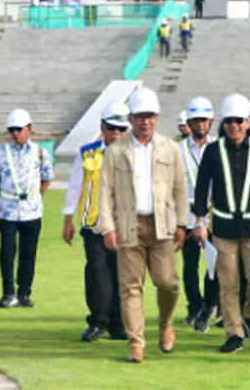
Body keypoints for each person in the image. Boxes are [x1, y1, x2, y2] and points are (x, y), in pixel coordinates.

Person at [95, 87, 188, 364]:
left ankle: (165, 322)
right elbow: (104, 192)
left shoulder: (170, 149)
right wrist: (108, 228)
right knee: (130, 287)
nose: (145, 121)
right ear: (131, 118)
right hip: (128, 224)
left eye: (150, 116)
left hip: (162, 225)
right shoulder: (116, 151)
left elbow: (181, 188)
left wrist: (182, 223)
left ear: (157, 117)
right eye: (140, 116)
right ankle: (136, 342)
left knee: (168, 283)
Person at [191, 93, 250, 354]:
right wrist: (200, 221)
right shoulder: (214, 151)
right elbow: (202, 186)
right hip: (223, 229)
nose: (233, 126)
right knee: (228, 282)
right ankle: (234, 332)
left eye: (239, 120)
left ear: (248, 121)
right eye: (229, 121)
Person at [63, 101, 130, 341]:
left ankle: (117, 323)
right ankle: (98, 321)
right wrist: (68, 220)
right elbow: (74, 187)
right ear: (102, 127)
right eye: (111, 128)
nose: (116, 133)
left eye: (121, 129)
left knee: (120, 274)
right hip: (94, 224)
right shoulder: (88, 152)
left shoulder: (134, 153)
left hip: (123, 225)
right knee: (97, 273)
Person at [0, 108, 54, 308]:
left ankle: (24, 293)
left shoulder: (40, 152)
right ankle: (8, 293)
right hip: (8, 211)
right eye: (12, 129)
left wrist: (36, 197)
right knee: (7, 254)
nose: (16, 133)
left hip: (32, 211)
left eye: (19, 129)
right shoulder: (1, 154)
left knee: (29, 253)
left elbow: (46, 178)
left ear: (29, 129)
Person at [179, 97, 220, 332]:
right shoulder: (178, 149)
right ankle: (194, 306)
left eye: (204, 120)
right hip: (186, 214)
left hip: (212, 215)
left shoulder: (217, 148)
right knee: (190, 265)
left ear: (211, 121)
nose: (200, 124)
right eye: (196, 120)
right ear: (189, 122)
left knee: (214, 264)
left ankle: (210, 305)